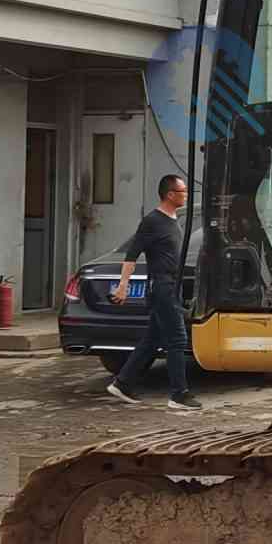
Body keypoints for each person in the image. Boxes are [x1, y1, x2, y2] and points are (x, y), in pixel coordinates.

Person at [108, 174, 198, 409]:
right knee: (177, 339)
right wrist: (123, 285)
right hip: (162, 287)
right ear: (170, 195)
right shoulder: (152, 221)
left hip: (173, 286)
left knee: (152, 339)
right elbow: (132, 254)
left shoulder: (173, 219)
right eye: (183, 191)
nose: (186, 195)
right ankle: (179, 395)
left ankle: (123, 382)